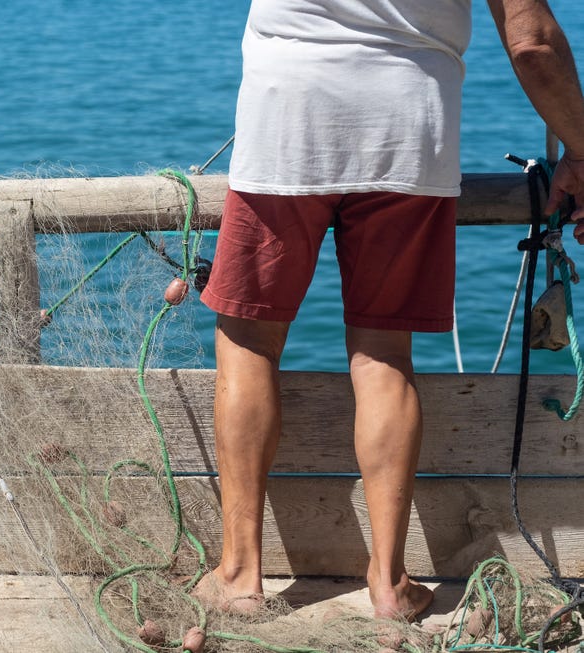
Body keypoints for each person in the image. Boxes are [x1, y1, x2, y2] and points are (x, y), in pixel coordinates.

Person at [194, 0, 584, 621]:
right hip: (410, 125)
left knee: (249, 343)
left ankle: (239, 576)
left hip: (285, 112)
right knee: (383, 356)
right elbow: (532, 41)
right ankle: (389, 584)